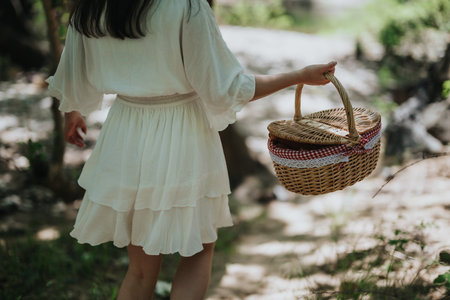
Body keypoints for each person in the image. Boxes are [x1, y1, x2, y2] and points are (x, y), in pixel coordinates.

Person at [46, 0, 336, 299]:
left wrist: (73, 111)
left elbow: (72, 71)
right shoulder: (184, 6)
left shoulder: (91, 7)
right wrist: (299, 76)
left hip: (126, 132)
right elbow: (228, 88)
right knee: (198, 250)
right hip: (183, 131)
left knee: (140, 271)